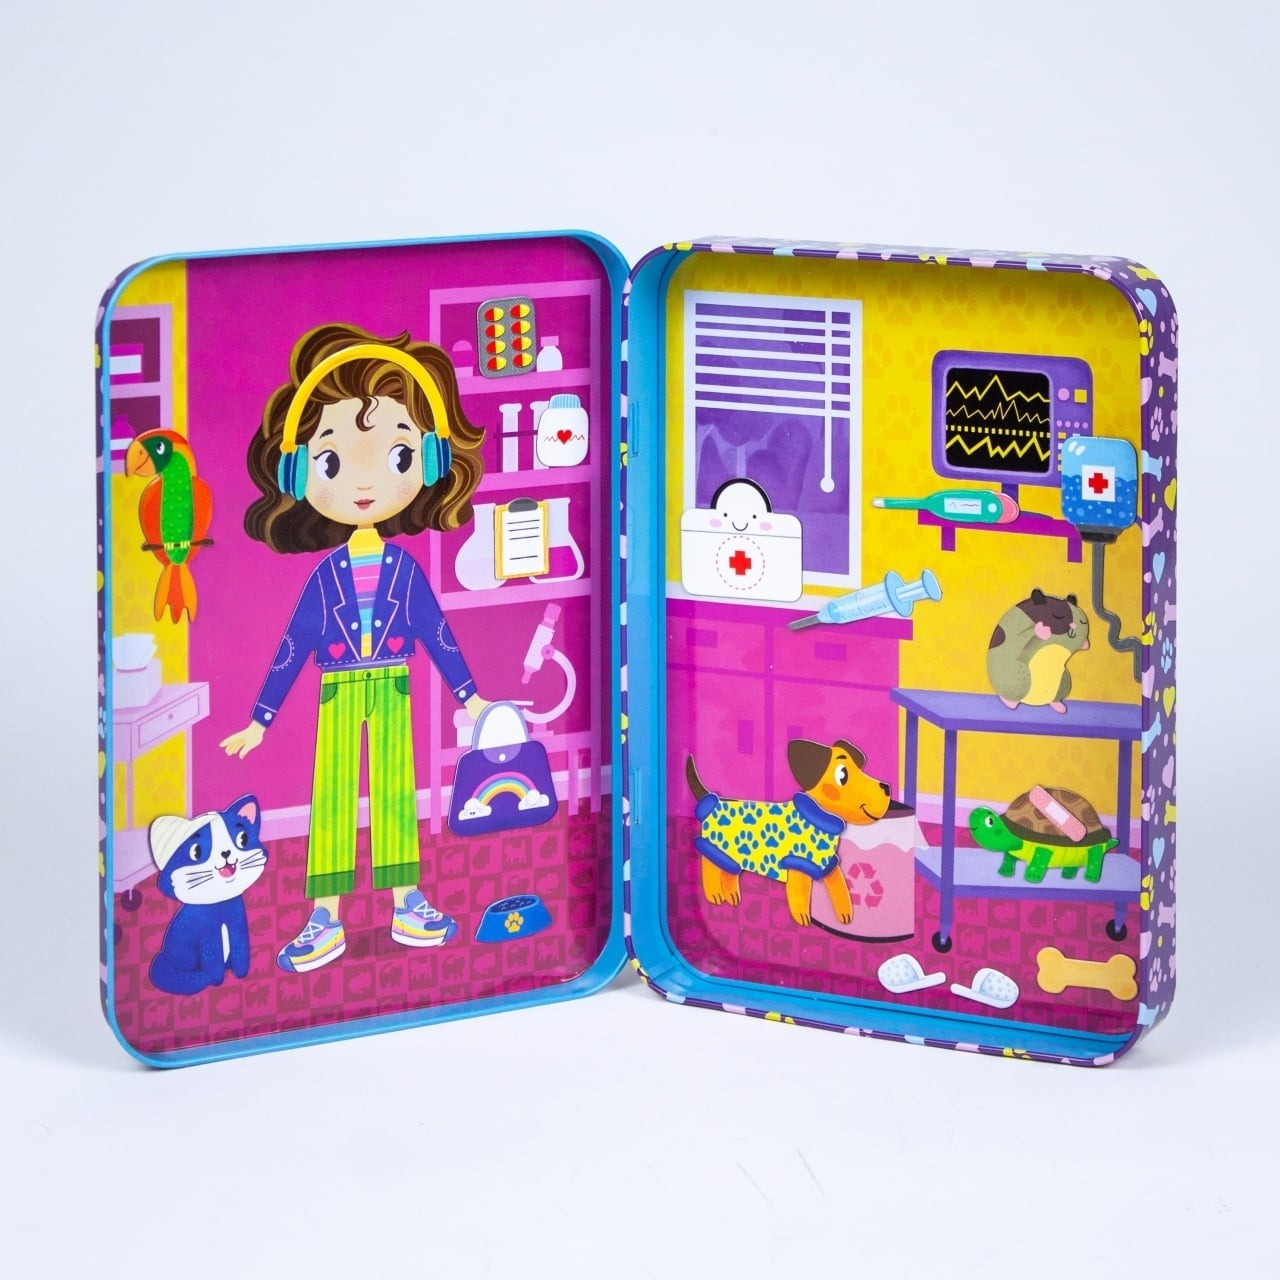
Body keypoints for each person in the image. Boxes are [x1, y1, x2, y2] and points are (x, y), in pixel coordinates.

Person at [220, 323, 487, 972]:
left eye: (395, 456)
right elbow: (292, 645)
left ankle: (407, 902)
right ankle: (324, 916)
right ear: (296, 471)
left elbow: (437, 632)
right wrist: (260, 719)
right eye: (333, 462)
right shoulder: (324, 576)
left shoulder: (404, 570)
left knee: (396, 793)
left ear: (429, 462)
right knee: (333, 798)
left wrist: (470, 696)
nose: (364, 482)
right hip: (338, 690)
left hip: (391, 683)